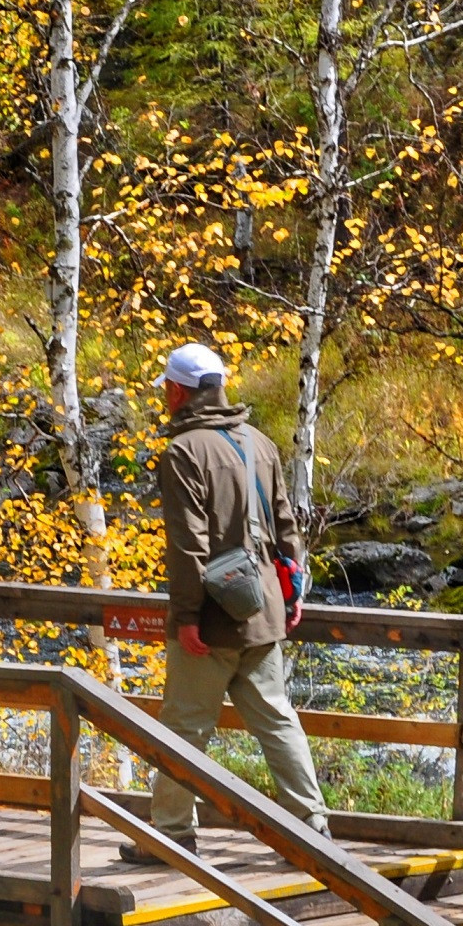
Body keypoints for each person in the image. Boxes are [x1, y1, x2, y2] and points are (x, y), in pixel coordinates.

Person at [133, 341, 327, 861]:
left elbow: (188, 545)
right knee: (277, 719)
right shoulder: (259, 443)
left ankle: (171, 835)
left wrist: (188, 618)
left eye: (167, 390)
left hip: (213, 619)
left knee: (183, 726)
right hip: (264, 610)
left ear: (178, 391)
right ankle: (311, 827)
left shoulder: (183, 453)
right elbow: (288, 526)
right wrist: (293, 594)